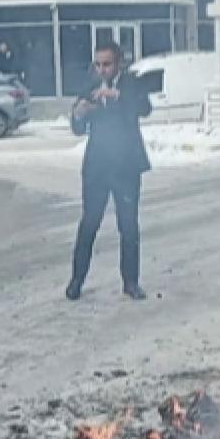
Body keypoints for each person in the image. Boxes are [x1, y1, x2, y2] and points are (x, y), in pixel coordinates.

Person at [67, 42, 152, 302]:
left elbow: (145, 108)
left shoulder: (131, 84)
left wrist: (120, 97)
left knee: (128, 226)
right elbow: (78, 128)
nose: (102, 69)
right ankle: (76, 280)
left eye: (107, 64)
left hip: (126, 166)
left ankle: (130, 282)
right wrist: (79, 115)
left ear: (118, 64)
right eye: (98, 64)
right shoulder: (89, 86)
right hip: (97, 167)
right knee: (89, 223)